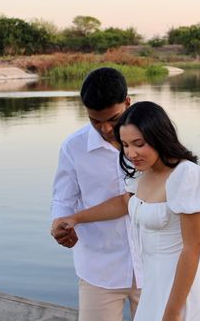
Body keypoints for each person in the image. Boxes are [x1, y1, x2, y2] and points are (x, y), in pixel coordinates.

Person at [58, 101, 200, 321]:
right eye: (125, 145)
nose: (131, 153)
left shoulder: (186, 175)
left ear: (159, 137)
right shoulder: (143, 173)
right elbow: (123, 204)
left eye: (139, 144)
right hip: (152, 287)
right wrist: (75, 218)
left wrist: (172, 313)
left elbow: (191, 249)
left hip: (182, 294)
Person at [50, 67, 141, 321]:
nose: (106, 128)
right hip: (99, 268)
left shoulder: (151, 140)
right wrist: (59, 224)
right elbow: (63, 199)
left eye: (113, 119)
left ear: (127, 102)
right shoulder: (73, 147)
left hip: (152, 265)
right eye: (95, 121)